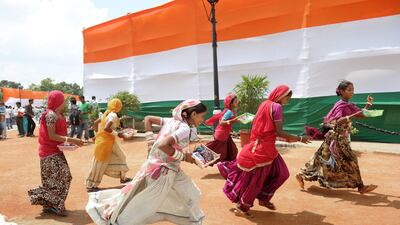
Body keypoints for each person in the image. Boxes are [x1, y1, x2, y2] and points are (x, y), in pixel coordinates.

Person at [86, 99, 207, 225]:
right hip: (162, 173)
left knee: (192, 194)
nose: (202, 120)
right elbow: (162, 145)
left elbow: (148, 118)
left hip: (167, 169)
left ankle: (194, 221)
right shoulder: (184, 128)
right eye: (202, 116)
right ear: (193, 114)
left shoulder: (172, 121)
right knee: (145, 206)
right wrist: (184, 157)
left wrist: (150, 143)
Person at [217, 85, 310, 217]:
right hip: (262, 151)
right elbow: (278, 131)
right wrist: (300, 138)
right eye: (287, 97)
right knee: (257, 180)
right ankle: (242, 207)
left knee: (281, 173)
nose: (288, 100)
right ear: (281, 95)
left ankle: (264, 198)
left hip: (266, 147)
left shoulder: (265, 104)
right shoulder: (276, 107)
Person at [296, 80, 378, 194]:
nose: (352, 92)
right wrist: (351, 116)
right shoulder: (341, 105)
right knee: (350, 160)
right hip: (337, 139)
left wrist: (368, 105)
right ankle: (361, 187)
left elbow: (361, 115)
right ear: (342, 91)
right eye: (349, 90)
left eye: (353, 90)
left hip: (339, 138)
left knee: (319, 159)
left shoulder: (348, 104)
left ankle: (301, 174)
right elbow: (338, 120)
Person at [27, 91, 83, 216]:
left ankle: (50, 204)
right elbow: (52, 135)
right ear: (58, 101)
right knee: (65, 175)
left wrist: (68, 144)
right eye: (62, 100)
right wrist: (71, 140)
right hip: (48, 152)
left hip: (55, 150)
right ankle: (52, 203)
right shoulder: (51, 115)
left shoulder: (57, 113)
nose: (64, 102)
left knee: (55, 179)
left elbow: (58, 134)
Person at [86, 98, 132, 192]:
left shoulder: (107, 113)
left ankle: (123, 178)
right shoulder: (113, 115)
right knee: (99, 163)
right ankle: (91, 185)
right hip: (105, 143)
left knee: (121, 156)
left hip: (106, 141)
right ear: (119, 107)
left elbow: (95, 123)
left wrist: (97, 134)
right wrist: (118, 134)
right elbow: (107, 128)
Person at [204, 93, 239, 163]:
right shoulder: (229, 112)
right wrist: (233, 120)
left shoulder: (230, 111)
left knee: (232, 150)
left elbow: (228, 124)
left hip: (225, 134)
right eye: (235, 101)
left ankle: (229, 165)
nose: (237, 103)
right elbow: (221, 122)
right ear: (230, 104)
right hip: (221, 135)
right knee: (218, 152)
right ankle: (199, 156)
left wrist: (232, 131)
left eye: (237, 101)